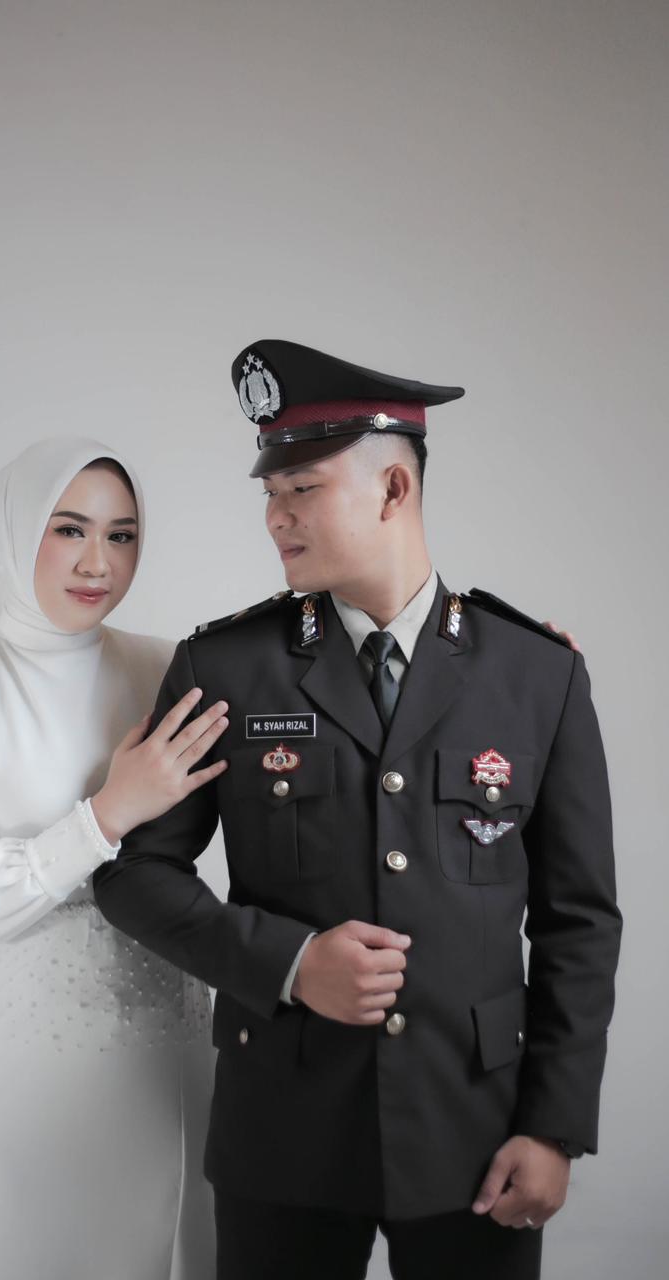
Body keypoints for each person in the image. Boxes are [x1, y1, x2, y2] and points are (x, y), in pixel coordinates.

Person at [94, 340, 622, 1280]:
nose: (275, 516)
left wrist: (554, 1127)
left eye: (301, 489)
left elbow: (579, 922)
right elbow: (136, 878)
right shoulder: (227, 666)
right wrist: (292, 964)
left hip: (478, 1130)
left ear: (392, 489)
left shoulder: (536, 674)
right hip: (283, 1131)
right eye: (270, 492)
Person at [0, 437, 229, 1280]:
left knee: (165, 1244)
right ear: (13, 531)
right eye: (69, 529)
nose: (97, 563)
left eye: (122, 535)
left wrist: (502, 667)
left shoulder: (165, 668)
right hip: (13, 1061)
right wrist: (108, 813)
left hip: (165, 1044)